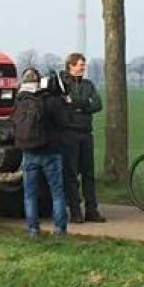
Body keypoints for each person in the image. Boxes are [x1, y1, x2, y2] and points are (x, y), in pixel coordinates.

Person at [13, 68, 67, 236]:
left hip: (29, 152)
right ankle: (59, 229)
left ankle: (32, 229)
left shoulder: (20, 100)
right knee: (57, 192)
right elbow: (63, 121)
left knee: (30, 194)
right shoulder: (49, 100)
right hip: (51, 151)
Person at [59, 52, 105, 223]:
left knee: (88, 173)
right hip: (69, 133)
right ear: (70, 66)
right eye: (80, 65)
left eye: (84, 65)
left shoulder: (88, 85)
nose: (83, 68)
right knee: (71, 173)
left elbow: (97, 104)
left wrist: (78, 105)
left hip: (86, 132)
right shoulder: (64, 84)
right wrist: (84, 103)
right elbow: (64, 104)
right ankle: (75, 210)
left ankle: (92, 209)